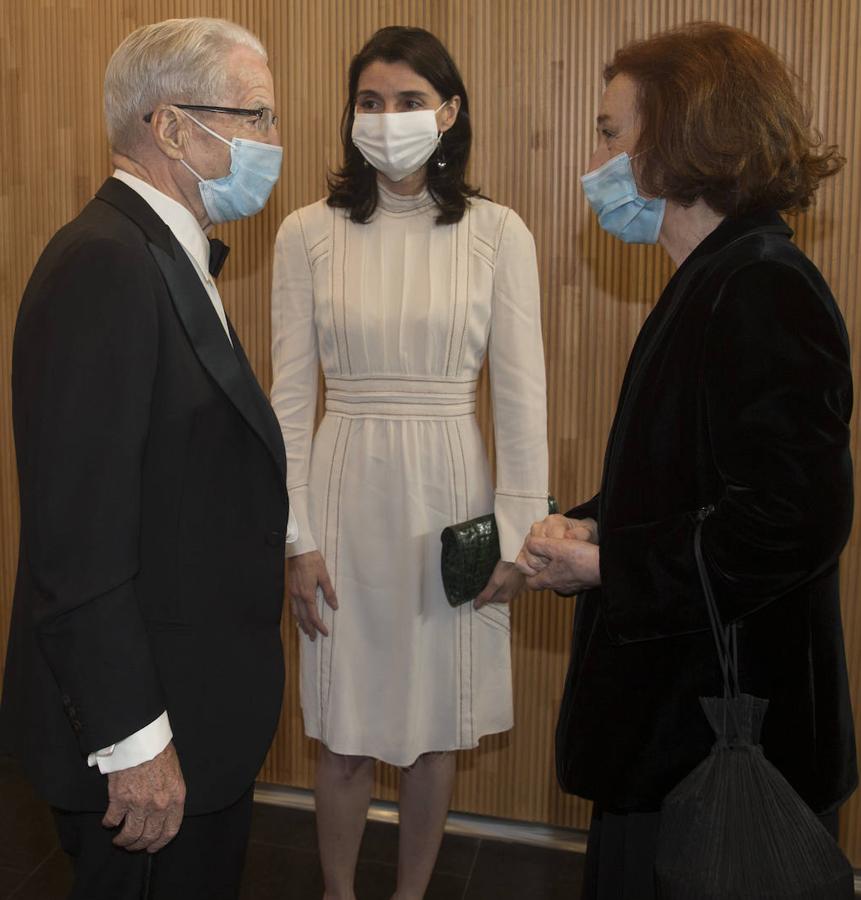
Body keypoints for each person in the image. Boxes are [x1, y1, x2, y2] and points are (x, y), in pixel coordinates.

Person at [517, 21, 857, 899]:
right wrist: (591, 520)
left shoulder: (759, 283)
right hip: (675, 729)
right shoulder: (715, 274)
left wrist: (608, 563)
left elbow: (788, 524)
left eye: (609, 131)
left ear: (677, 138)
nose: (596, 156)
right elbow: (695, 478)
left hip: (719, 742)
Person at [0, 17, 291, 900]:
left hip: (193, 711)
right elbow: (77, 541)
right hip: (145, 740)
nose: (273, 143)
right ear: (169, 128)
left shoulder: (162, 250)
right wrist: (135, 746)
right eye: (254, 117)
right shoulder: (106, 263)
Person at [271, 25, 548, 899]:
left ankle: (411, 894)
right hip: (344, 488)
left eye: (409, 101)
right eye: (370, 101)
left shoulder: (499, 233)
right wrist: (295, 536)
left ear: (449, 112)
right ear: (349, 114)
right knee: (344, 729)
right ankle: (339, 892)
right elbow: (285, 401)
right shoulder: (305, 233)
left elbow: (520, 402)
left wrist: (514, 537)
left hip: (448, 491)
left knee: (434, 726)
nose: (387, 119)